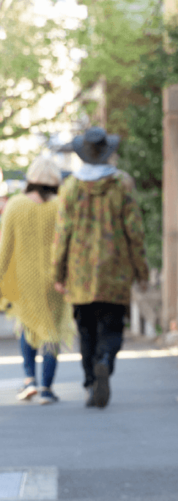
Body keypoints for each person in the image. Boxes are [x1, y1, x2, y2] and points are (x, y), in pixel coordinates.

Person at [52, 126, 149, 409]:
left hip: (79, 273)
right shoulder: (122, 185)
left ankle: (90, 382)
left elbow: (62, 234)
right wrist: (141, 270)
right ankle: (105, 360)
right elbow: (135, 231)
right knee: (112, 326)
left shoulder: (70, 188)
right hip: (115, 271)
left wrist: (57, 273)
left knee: (86, 331)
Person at [0, 157, 76, 405]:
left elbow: (5, 248)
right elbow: (68, 246)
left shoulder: (15, 205)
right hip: (53, 280)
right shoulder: (60, 207)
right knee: (52, 331)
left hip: (24, 281)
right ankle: (46, 387)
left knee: (28, 326)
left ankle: (29, 379)